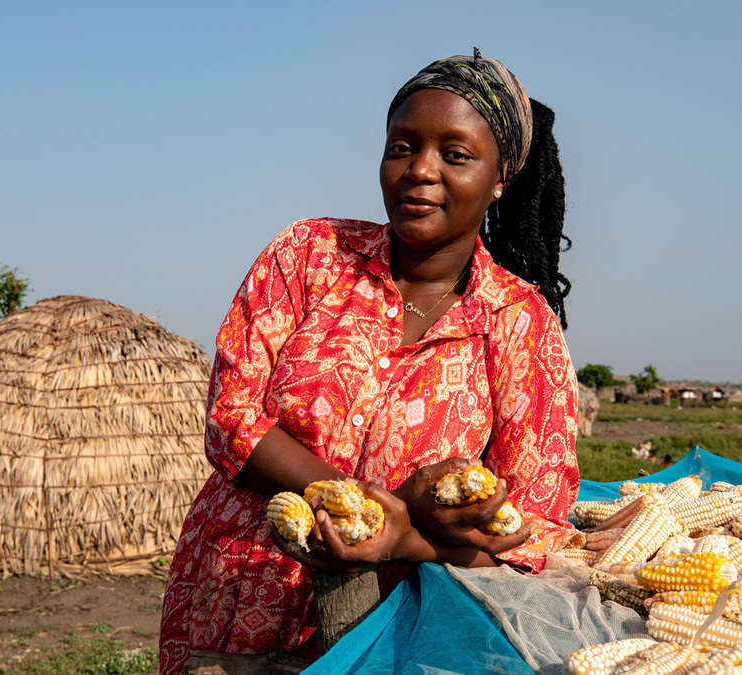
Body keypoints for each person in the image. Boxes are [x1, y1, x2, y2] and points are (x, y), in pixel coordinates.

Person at [159, 49, 580, 674]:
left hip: (395, 628)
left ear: (500, 179)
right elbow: (231, 416)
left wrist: (403, 535)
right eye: (402, 147)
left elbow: (533, 528)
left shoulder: (519, 323)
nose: (421, 171)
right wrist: (358, 502)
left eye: (455, 155)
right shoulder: (308, 255)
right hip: (241, 589)